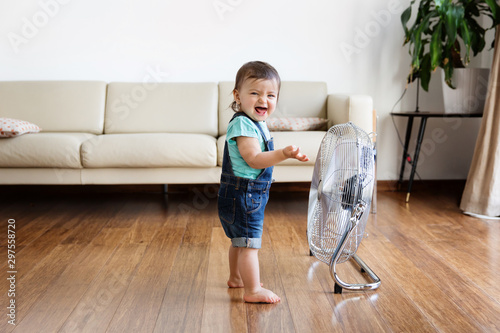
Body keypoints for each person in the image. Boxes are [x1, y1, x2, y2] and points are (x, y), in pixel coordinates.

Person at [218, 61, 309, 303]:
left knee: (240, 240)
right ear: (238, 96)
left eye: (270, 95)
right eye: (255, 93)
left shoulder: (256, 122)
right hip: (244, 194)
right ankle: (252, 291)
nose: (263, 100)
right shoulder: (242, 124)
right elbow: (255, 159)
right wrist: (284, 154)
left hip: (246, 193)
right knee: (249, 245)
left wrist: (292, 153)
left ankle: (236, 278)